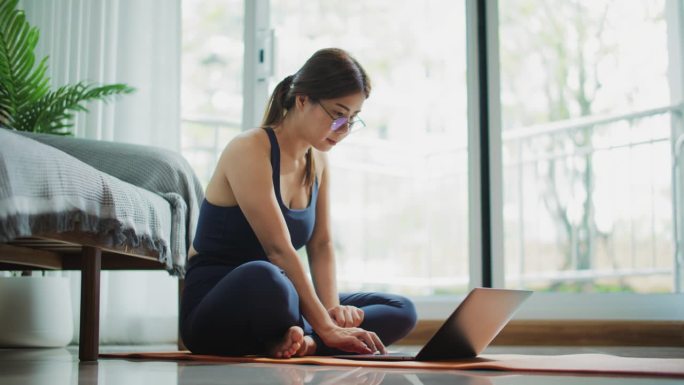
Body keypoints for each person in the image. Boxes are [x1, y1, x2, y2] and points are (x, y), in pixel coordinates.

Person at [180, 48, 417, 358]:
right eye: (337, 114)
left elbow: (321, 244)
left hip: (283, 299)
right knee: (267, 276)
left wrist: (333, 311)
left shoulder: (317, 160)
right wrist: (329, 327)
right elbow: (278, 251)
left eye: (353, 119)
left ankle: (303, 341)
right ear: (303, 99)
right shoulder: (249, 148)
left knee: (401, 309)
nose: (344, 129)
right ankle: (313, 335)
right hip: (220, 307)